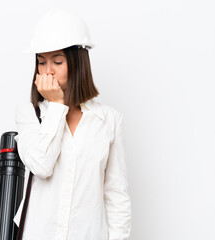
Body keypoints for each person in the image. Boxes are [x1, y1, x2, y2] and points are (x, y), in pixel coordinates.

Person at [13, 9, 131, 240]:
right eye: (41, 62)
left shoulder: (109, 120)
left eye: (57, 61)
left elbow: (116, 195)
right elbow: (41, 165)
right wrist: (57, 105)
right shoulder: (29, 114)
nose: (48, 71)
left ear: (78, 63)